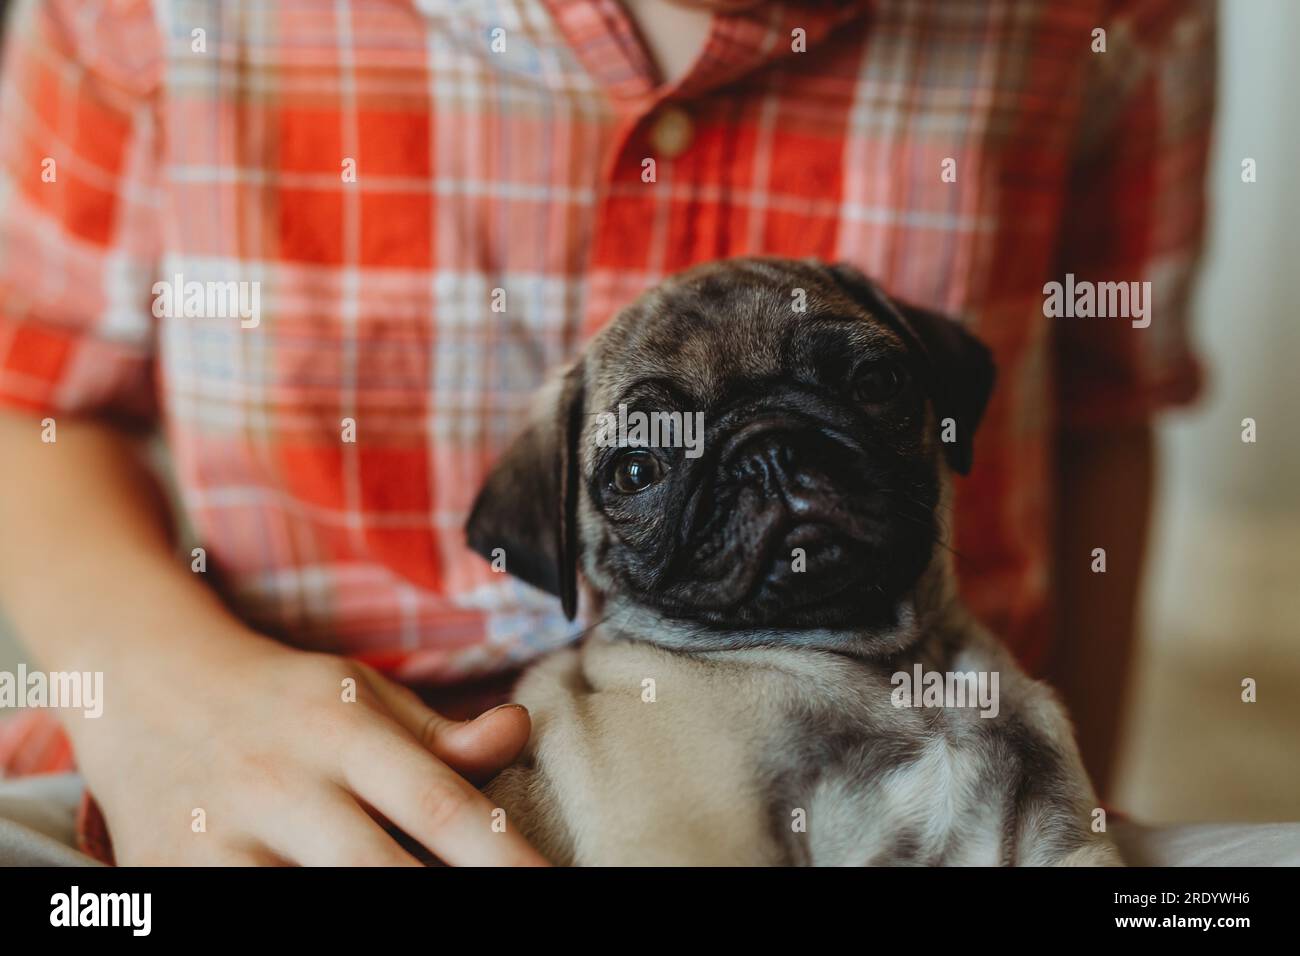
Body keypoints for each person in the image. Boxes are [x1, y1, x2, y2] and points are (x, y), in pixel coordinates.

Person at [0, 0, 1214, 865]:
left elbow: (1102, 410)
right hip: (225, 778)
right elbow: (27, 385)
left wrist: (1068, 797)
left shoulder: (1104, 20)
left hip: (921, 760)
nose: (775, 474)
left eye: (866, 393)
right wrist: (158, 693)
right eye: (644, 465)